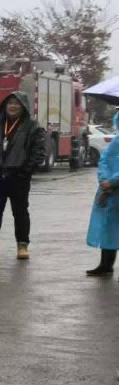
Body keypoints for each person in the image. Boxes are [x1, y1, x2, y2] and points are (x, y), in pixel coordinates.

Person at [0, 92, 46, 260]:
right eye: (10, 103)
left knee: (20, 212)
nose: (13, 106)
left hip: (18, 177)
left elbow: (38, 152)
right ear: (4, 106)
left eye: (17, 103)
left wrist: (26, 171)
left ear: (23, 107)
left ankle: (22, 245)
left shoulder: (33, 127)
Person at [85, 114, 119, 277]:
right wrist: (104, 179)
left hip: (113, 188)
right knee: (108, 228)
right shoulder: (116, 141)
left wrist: (111, 181)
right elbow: (103, 160)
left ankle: (106, 265)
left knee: (112, 227)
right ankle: (106, 265)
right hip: (109, 191)